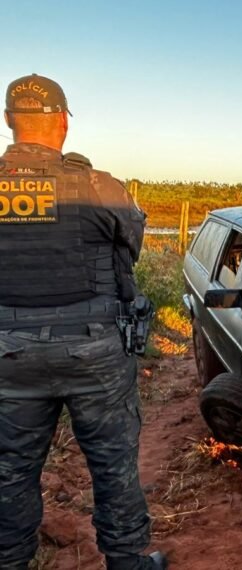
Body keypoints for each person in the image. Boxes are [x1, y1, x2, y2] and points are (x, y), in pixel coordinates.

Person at [0, 74, 167, 569]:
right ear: (63, 123)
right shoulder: (97, 186)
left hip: (7, 353)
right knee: (113, 465)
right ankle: (127, 561)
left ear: (10, 121)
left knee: (10, 469)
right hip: (93, 350)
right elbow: (130, 249)